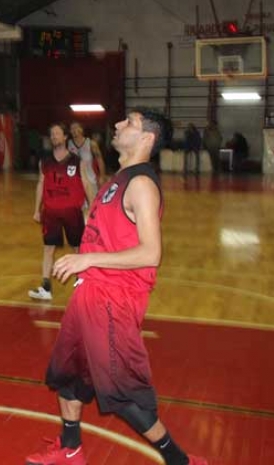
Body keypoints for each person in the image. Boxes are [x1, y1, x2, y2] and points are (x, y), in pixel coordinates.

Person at [25, 109, 208, 465]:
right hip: (89, 294)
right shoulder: (116, 179)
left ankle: (179, 461)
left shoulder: (141, 184)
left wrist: (87, 260)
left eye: (131, 122)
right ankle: (70, 449)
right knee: (67, 376)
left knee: (124, 393)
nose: (120, 125)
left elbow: (151, 253)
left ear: (146, 139)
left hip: (114, 300)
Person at [28, 123, 95, 301]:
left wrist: (92, 207)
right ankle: (46, 288)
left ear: (65, 137)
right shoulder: (45, 161)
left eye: (57, 133)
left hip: (73, 212)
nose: (54, 137)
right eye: (52, 134)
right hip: (51, 212)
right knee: (48, 248)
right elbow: (40, 184)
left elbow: (87, 183)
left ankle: (83, 285)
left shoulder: (76, 160)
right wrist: (37, 209)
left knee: (78, 248)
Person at [68, 121, 106, 189]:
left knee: (92, 199)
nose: (74, 130)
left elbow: (100, 160)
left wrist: (102, 177)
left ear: (81, 129)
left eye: (76, 127)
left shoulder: (91, 144)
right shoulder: (67, 144)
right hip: (73, 181)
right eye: (72, 128)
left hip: (90, 180)